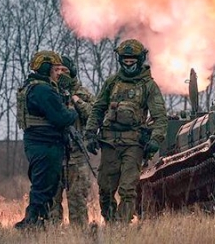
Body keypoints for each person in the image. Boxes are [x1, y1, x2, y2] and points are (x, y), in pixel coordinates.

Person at [84, 39, 167, 223]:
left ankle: (122, 227)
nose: (129, 64)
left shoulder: (148, 86)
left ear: (139, 60)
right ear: (120, 60)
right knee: (105, 189)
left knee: (128, 189)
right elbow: (98, 108)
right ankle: (112, 222)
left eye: (132, 60)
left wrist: (155, 139)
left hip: (134, 145)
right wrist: (90, 133)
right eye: (125, 60)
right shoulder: (112, 82)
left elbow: (160, 116)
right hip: (109, 144)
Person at [14, 50, 78, 230]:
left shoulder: (34, 86)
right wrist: (73, 111)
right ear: (46, 68)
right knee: (43, 187)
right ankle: (32, 224)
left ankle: (38, 223)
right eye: (56, 69)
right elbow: (62, 117)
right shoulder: (43, 90)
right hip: (45, 144)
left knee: (44, 186)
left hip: (40, 143)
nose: (60, 74)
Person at [50, 55, 94, 227]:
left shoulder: (82, 92)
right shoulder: (48, 92)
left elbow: (93, 114)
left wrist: (75, 99)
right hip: (54, 153)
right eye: (57, 70)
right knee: (52, 199)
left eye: (64, 70)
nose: (60, 73)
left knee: (77, 199)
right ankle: (53, 236)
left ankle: (79, 234)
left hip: (76, 155)